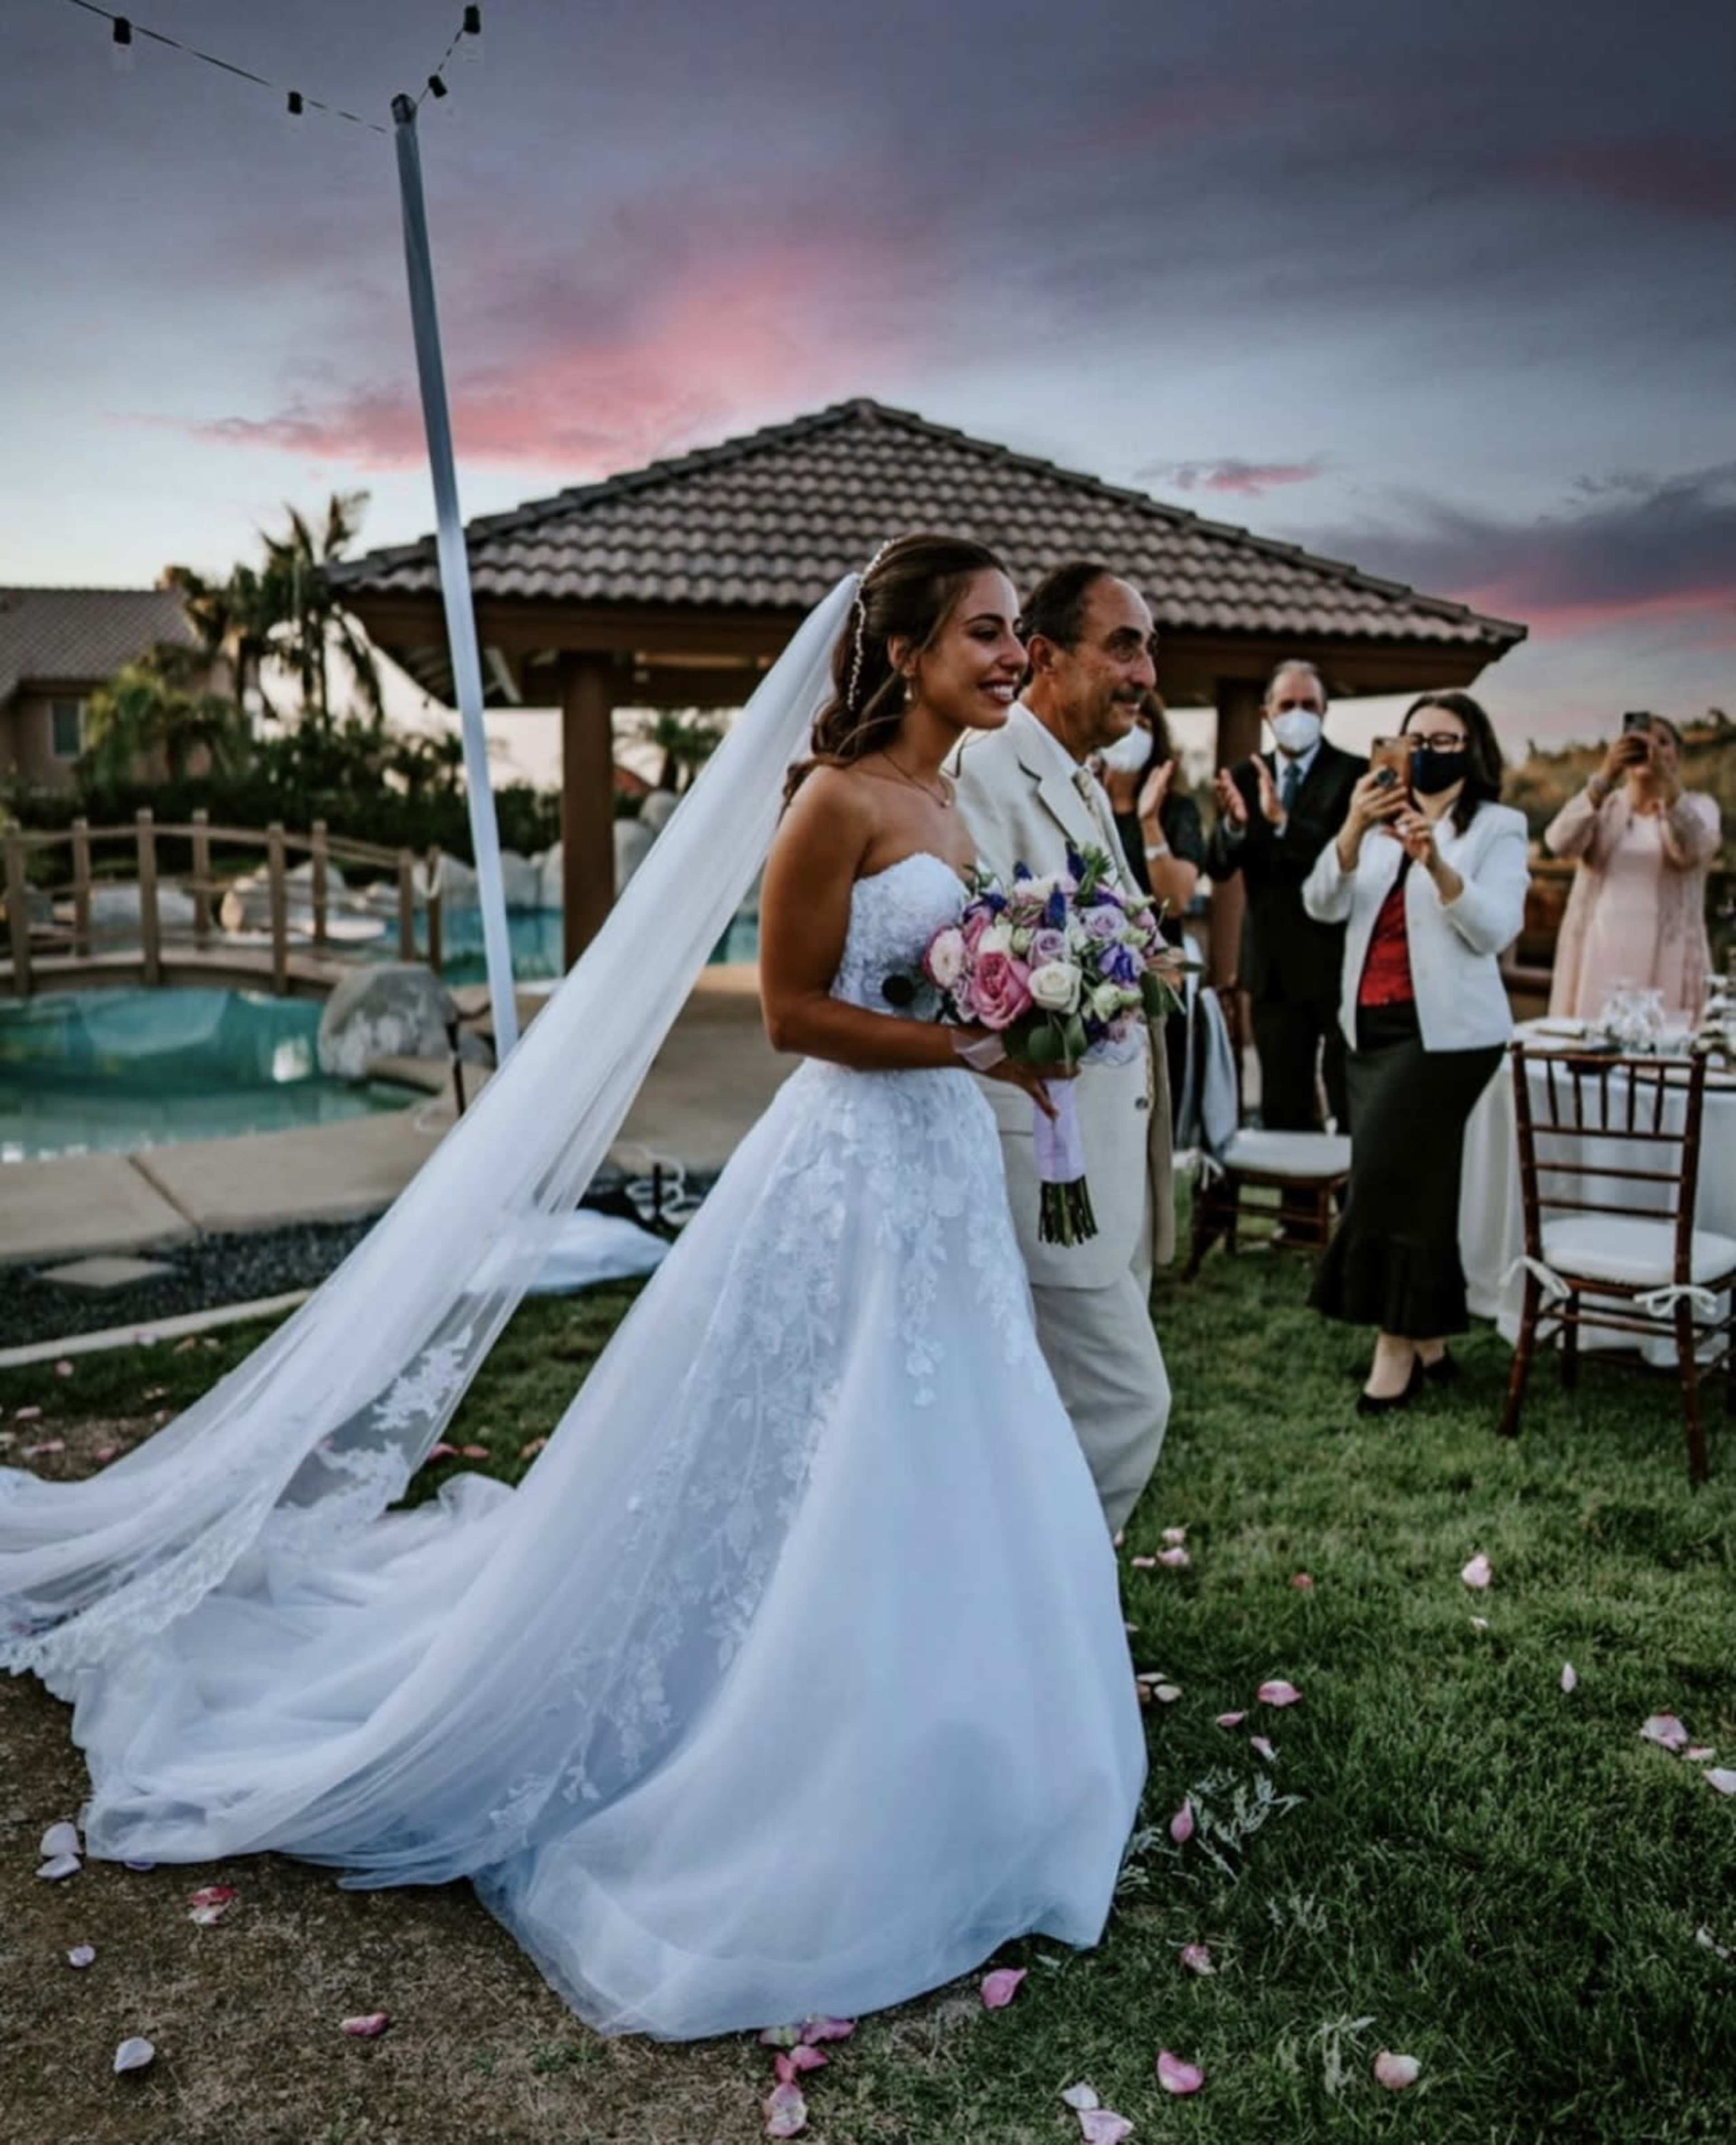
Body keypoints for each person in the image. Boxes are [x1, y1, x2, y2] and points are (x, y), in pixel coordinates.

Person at [0, 537, 1144, 2043]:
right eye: (988, 633)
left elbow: (946, 974)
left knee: (943, 1427)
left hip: (940, 1161)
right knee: (831, 1420)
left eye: (1016, 635)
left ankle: (954, 1720)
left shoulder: (948, 798)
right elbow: (799, 1015)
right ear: (911, 649)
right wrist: (970, 1043)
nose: (1015, 656)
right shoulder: (837, 802)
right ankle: (781, 1719)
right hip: (852, 1157)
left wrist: (1024, 1002)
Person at [949, 561, 1177, 1536]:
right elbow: (965, 966)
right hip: (1039, 1150)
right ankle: (1058, 1603)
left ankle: (1037, 1615)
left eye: (1148, 648)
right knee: (1128, 1402)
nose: (1146, 672)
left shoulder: (1082, 779)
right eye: (1124, 645)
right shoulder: (985, 774)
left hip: (1106, 1141)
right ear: (1044, 656)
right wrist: (1116, 977)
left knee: (1048, 1402)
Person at [1302, 691, 1528, 1412]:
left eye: (1447, 738)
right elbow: (1321, 903)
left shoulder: (1497, 827)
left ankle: (1394, 1348)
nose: (1430, 749)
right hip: (1368, 1030)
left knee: (1384, 1181)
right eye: (1417, 736)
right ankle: (1432, 1341)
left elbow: (1494, 929)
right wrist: (1351, 827)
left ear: (1474, 749)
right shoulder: (1369, 822)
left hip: (1452, 1039)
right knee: (1420, 1184)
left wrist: (1437, 865)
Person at [1203, 662, 1363, 1141]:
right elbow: (1218, 866)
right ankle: (1296, 1218)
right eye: (1287, 705)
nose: (1298, 714)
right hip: (1272, 967)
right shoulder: (1242, 777)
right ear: (1267, 713)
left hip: (1338, 962)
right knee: (1284, 1106)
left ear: (1325, 711)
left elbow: (1347, 855)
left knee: (1347, 1101)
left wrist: (1282, 821)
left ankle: (1347, 1211)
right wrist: (1235, 826)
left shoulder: (1354, 775)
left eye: (1309, 705)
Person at [1544, 712, 1721, 1023]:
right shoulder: (1604, 806)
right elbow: (1559, 843)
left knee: (1663, 1054)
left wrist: (1667, 786)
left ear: (1677, 757)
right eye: (1641, 740)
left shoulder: (1699, 807)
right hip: (1598, 953)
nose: (1651, 748)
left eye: (1662, 742)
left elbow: (1694, 849)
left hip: (1668, 958)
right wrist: (1604, 775)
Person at [1099, 690, 1203, 1132]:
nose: (1131, 734)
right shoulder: (1078, 799)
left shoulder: (1178, 810)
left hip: (1159, 984)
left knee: (1153, 1117)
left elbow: (1176, 900)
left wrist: (1147, 821)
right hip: (1092, 986)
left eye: (1143, 725)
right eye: (1125, 720)